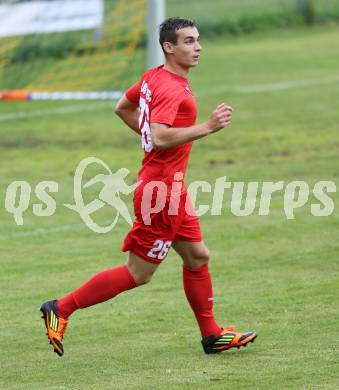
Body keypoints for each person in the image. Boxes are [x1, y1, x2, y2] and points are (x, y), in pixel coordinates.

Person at [40, 17, 257, 357]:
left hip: (173, 189)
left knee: (197, 256)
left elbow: (122, 107)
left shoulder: (154, 77)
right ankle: (60, 308)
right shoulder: (171, 87)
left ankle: (212, 335)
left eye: (198, 40)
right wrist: (207, 127)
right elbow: (158, 135)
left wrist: (150, 140)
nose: (197, 47)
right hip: (160, 193)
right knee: (139, 273)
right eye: (188, 41)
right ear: (169, 47)